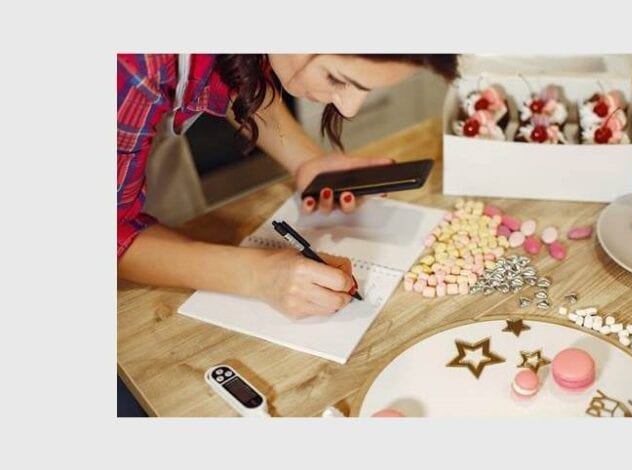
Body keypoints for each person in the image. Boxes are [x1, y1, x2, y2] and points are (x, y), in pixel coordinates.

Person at [117, 54, 459, 317]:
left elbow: (232, 71)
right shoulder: (134, 62)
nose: (348, 107)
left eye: (364, 87)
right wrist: (259, 276)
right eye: (336, 78)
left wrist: (307, 161)